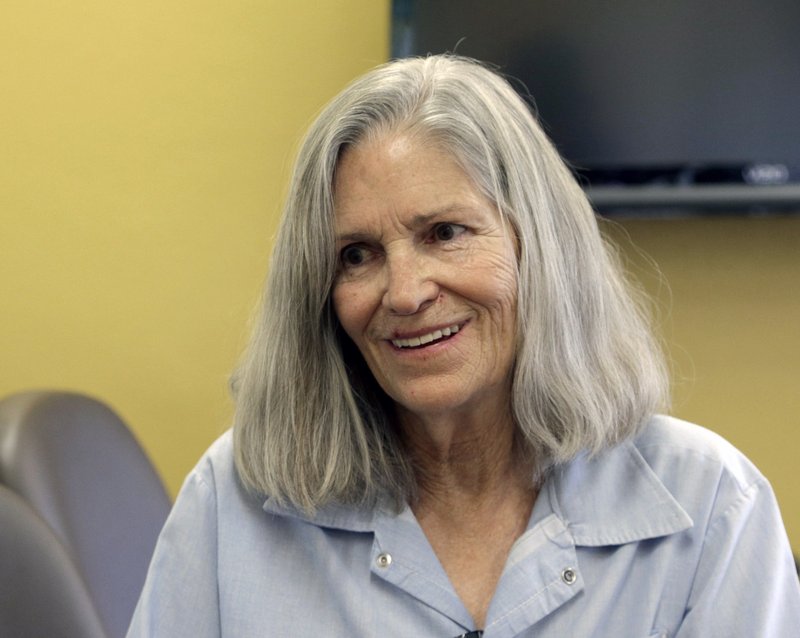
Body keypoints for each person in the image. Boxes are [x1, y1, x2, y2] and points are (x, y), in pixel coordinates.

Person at [127, 55, 800, 637]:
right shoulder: (234, 499)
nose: (405, 292)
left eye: (445, 233)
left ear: (537, 245)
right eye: (356, 255)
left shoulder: (711, 504)